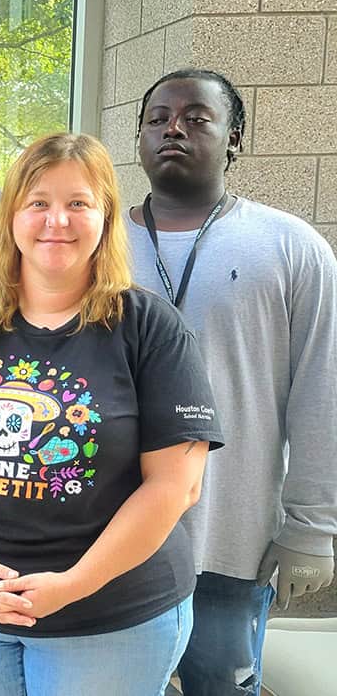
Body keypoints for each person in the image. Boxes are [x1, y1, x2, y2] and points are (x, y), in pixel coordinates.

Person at [0, 132, 225, 695]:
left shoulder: (151, 330)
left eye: (78, 203)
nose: (58, 220)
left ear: (105, 217)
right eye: (38, 203)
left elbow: (177, 486)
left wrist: (75, 584)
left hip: (107, 618)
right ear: (11, 218)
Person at [127, 69, 337, 695]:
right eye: (158, 117)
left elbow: (322, 395)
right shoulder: (95, 243)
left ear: (235, 139)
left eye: (197, 118)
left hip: (230, 541)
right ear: (138, 138)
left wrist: (312, 528)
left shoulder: (291, 247)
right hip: (110, 542)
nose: (173, 129)